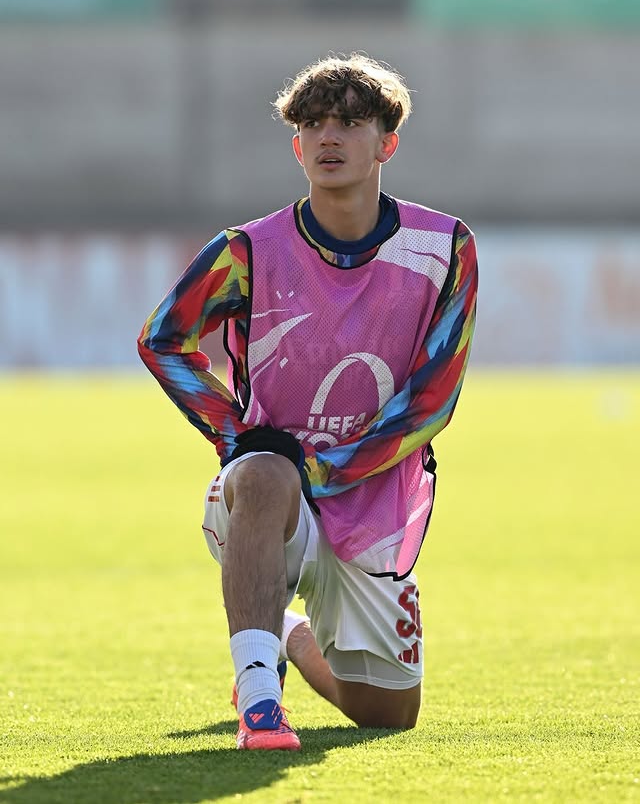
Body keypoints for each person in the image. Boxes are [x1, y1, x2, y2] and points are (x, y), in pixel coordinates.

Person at [138, 53, 478, 751]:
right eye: (315, 124)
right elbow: (164, 339)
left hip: (374, 505)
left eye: (351, 122)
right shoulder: (246, 251)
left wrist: (328, 468)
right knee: (265, 472)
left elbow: (432, 401)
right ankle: (260, 703)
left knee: (387, 715)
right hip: (268, 499)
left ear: (387, 143)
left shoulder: (446, 248)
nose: (330, 137)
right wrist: (239, 439)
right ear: (296, 147)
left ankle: (283, 632)